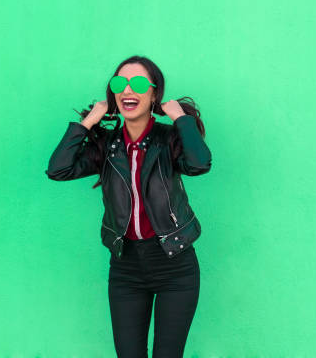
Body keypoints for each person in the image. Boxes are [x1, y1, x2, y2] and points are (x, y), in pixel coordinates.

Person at [45, 55, 212, 357]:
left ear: (154, 94)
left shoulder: (169, 140)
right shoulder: (106, 146)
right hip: (126, 268)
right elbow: (58, 170)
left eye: (137, 83)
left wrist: (181, 119)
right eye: (119, 83)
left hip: (174, 264)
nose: (127, 90)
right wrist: (88, 122)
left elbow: (200, 164)